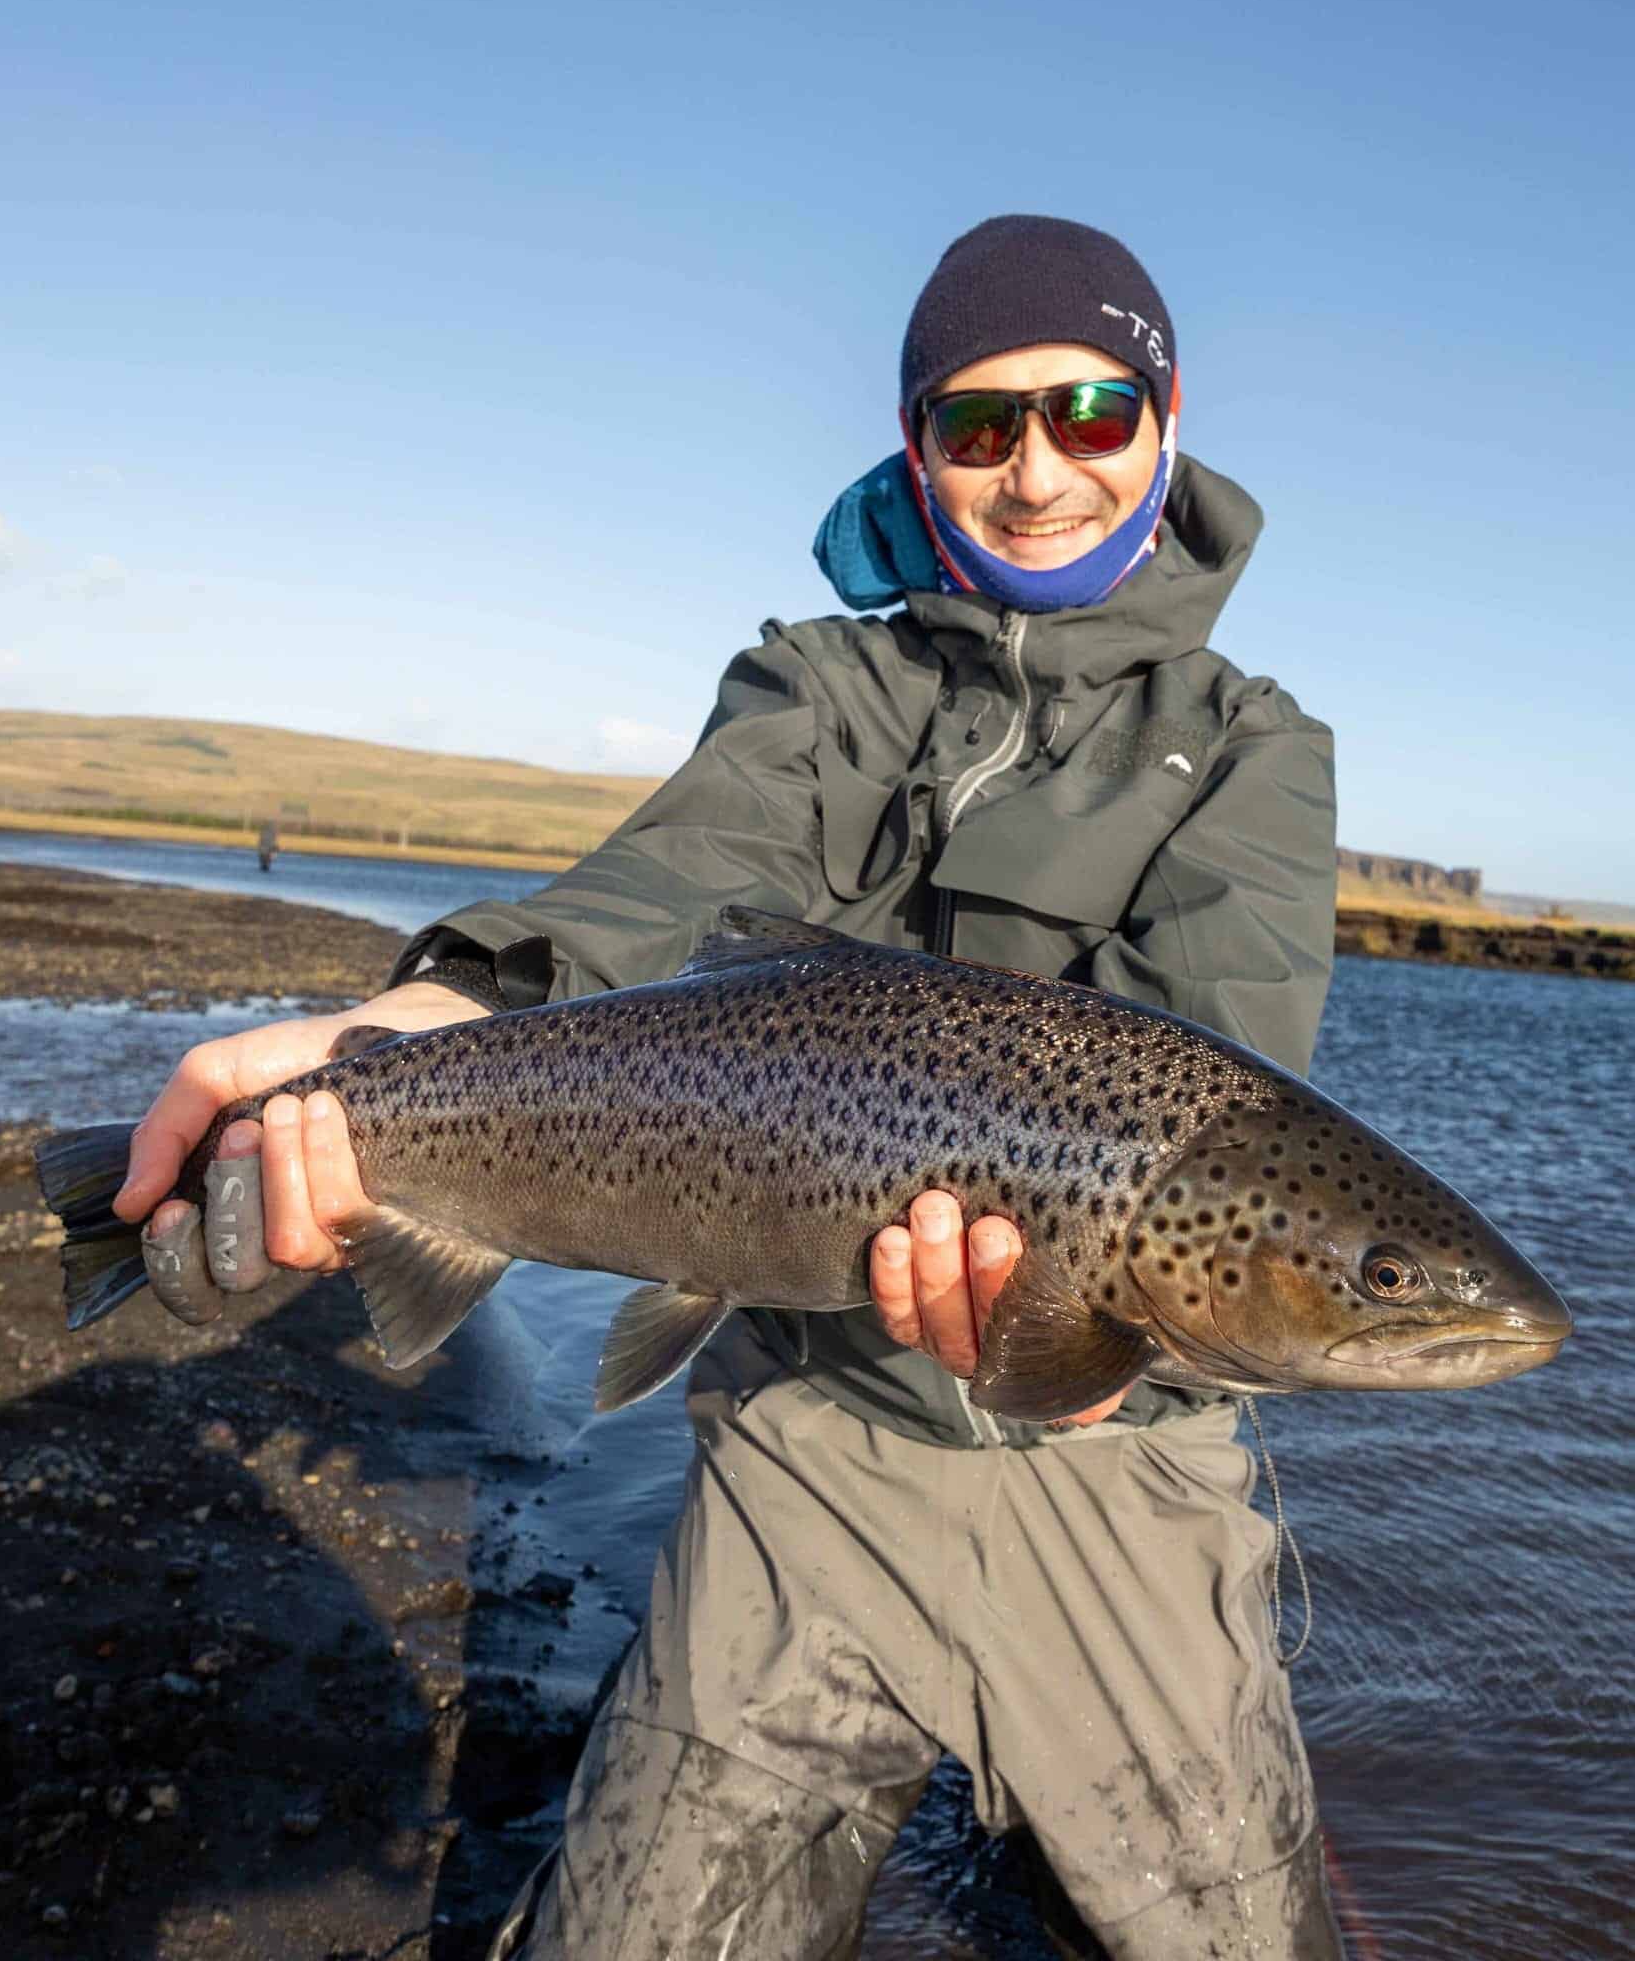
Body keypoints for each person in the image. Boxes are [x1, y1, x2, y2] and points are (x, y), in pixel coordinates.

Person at [115, 216, 1344, 1959]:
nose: (1038, 469)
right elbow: (678, 880)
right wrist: (418, 1017)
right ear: (918, 450)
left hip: (1120, 1471)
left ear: (1161, 415)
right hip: (806, 1439)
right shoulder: (815, 687)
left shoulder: (1252, 749)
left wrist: (1083, 1339)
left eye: (1084, 408)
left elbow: (1209, 1083)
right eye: (977, 427)